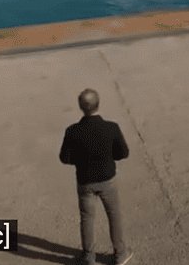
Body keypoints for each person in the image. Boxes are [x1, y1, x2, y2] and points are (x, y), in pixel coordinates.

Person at [59, 89, 132, 265]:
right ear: (98, 104)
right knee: (114, 215)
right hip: (108, 180)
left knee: (87, 219)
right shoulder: (111, 128)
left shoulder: (72, 131)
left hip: (85, 182)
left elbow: (65, 158)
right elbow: (123, 153)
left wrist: (80, 159)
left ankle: (88, 257)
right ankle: (120, 254)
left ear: (80, 107)